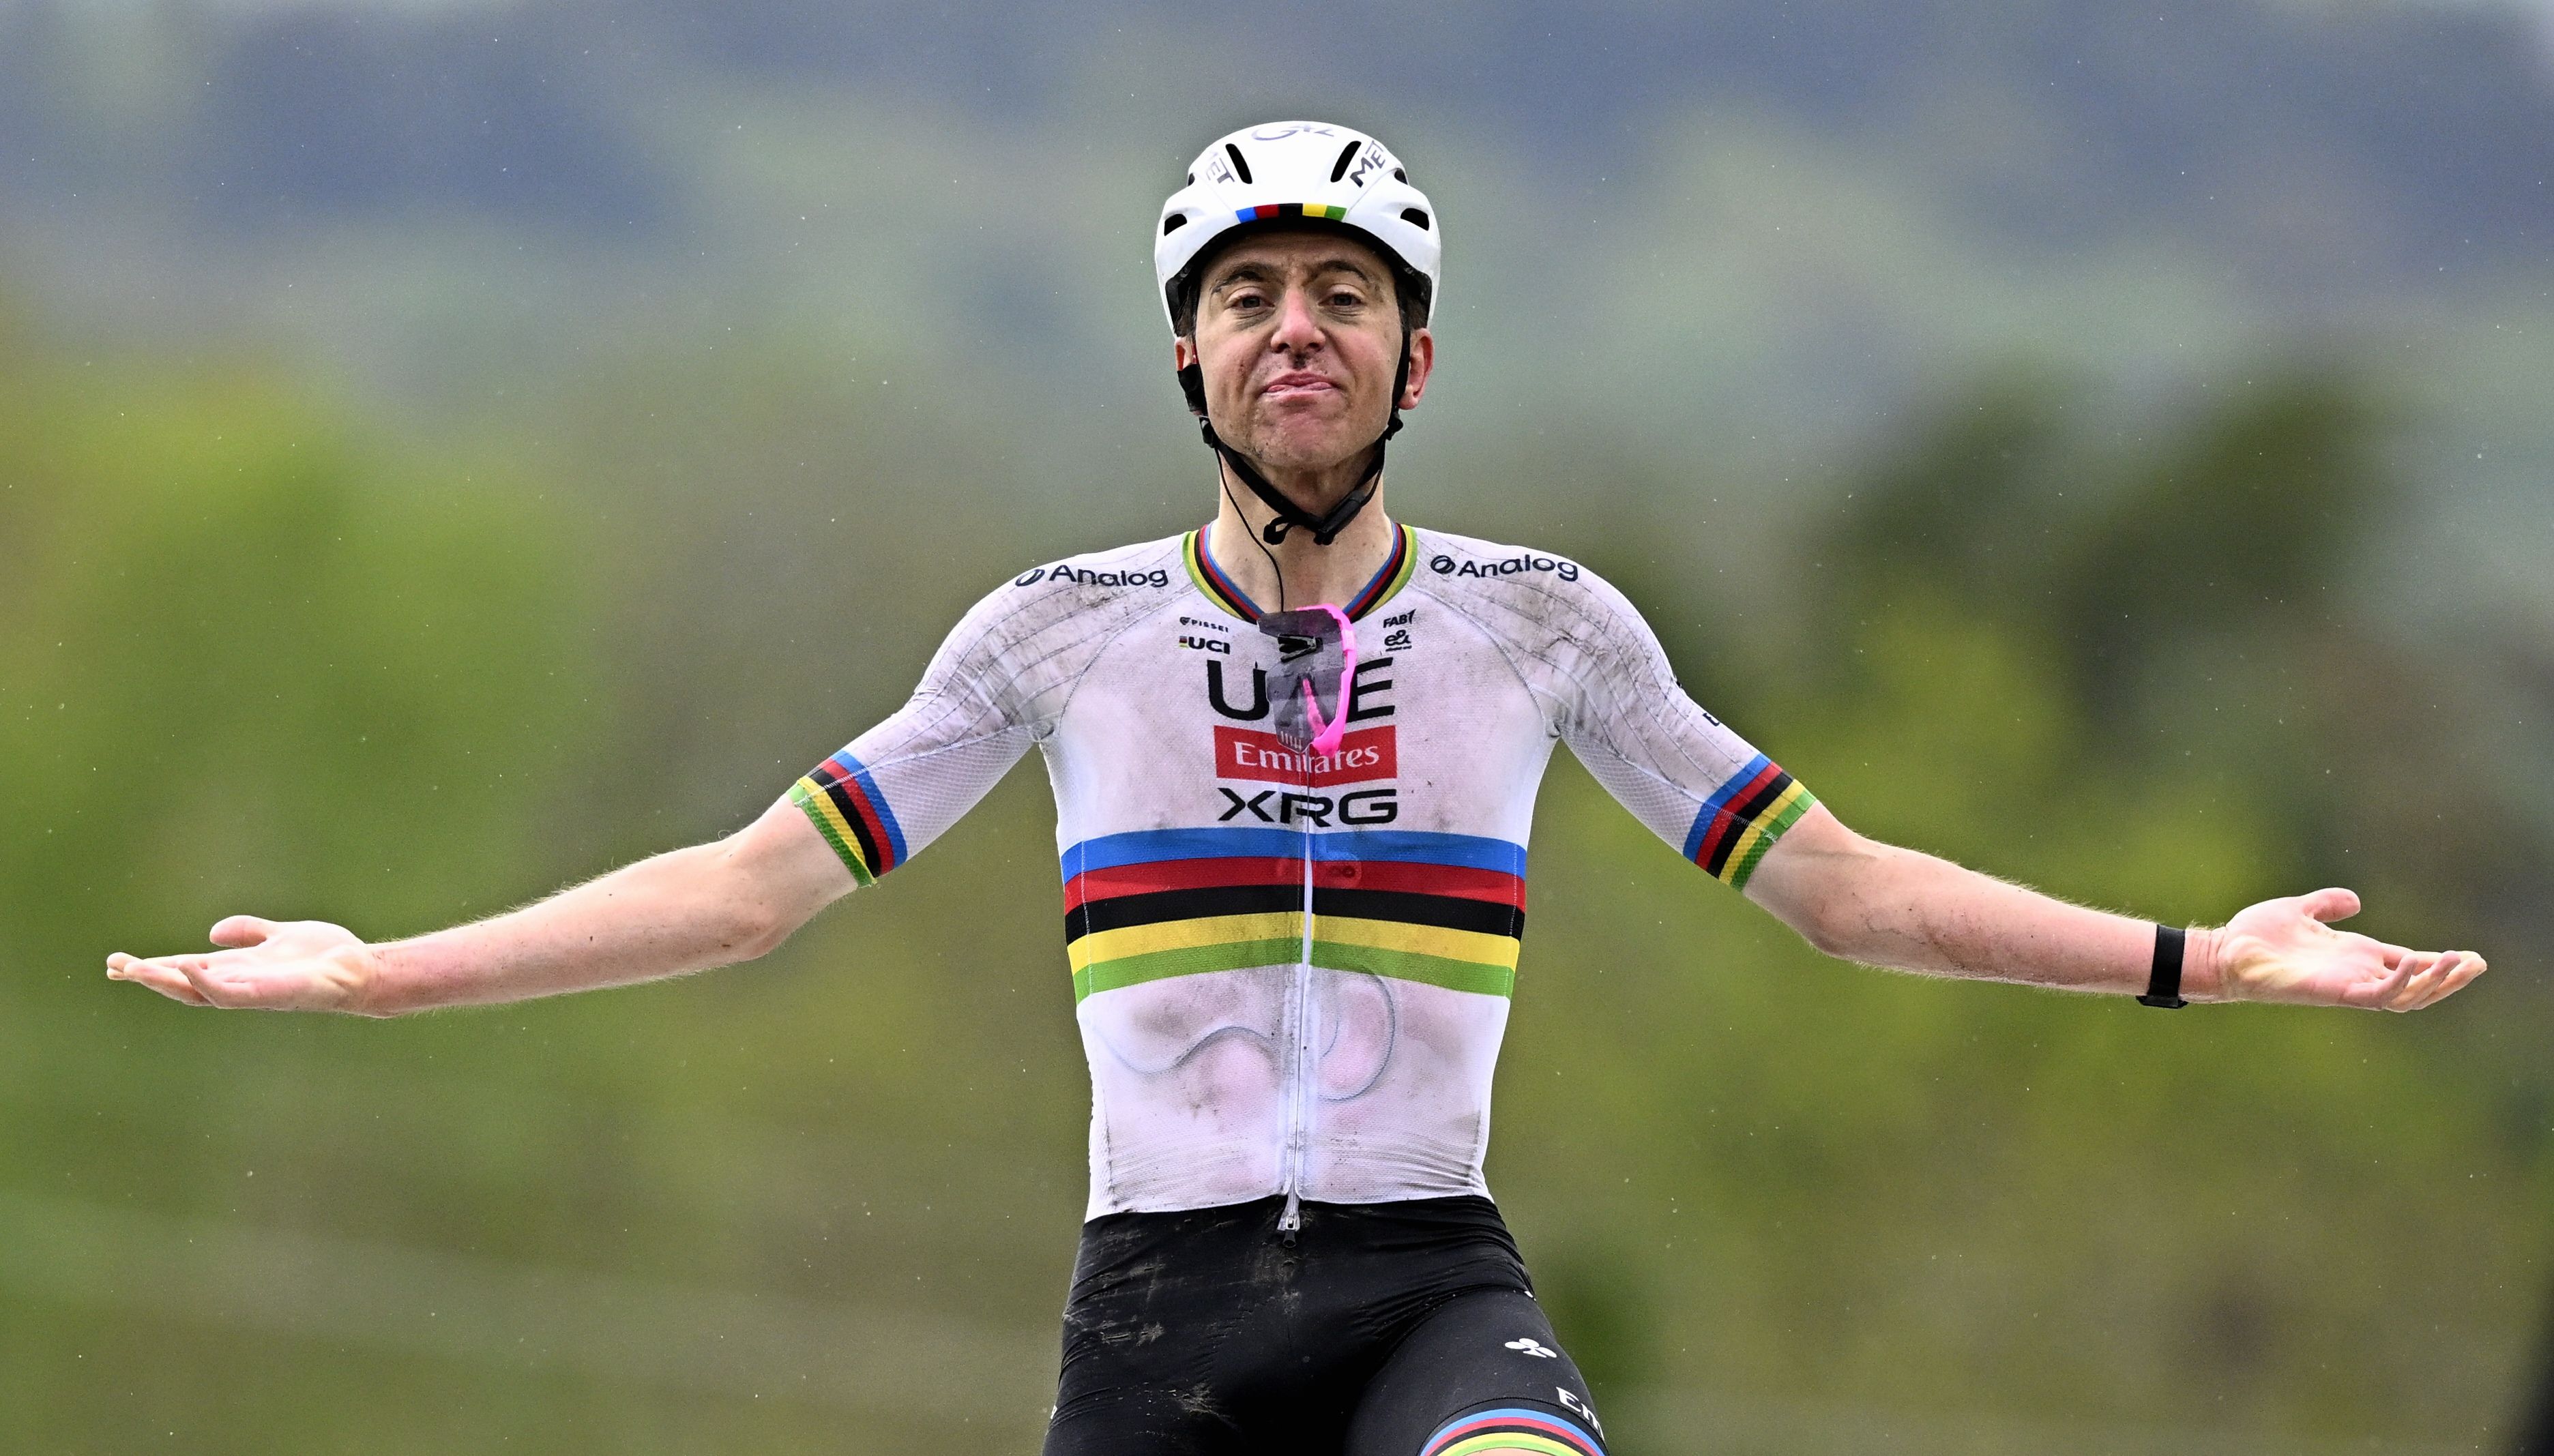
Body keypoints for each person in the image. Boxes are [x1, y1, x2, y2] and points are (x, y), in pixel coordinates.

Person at [107, 120, 2487, 1456]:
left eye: (1342, 295)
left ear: (1413, 358)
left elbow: (1848, 894)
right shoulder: (1054, 631)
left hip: (1426, 1282)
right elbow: (743, 894)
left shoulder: (1552, 625)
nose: (1296, 331)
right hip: (1152, 1320)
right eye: (1249, 297)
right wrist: (375, 974)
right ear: (1189, 356)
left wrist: (2205, 960)